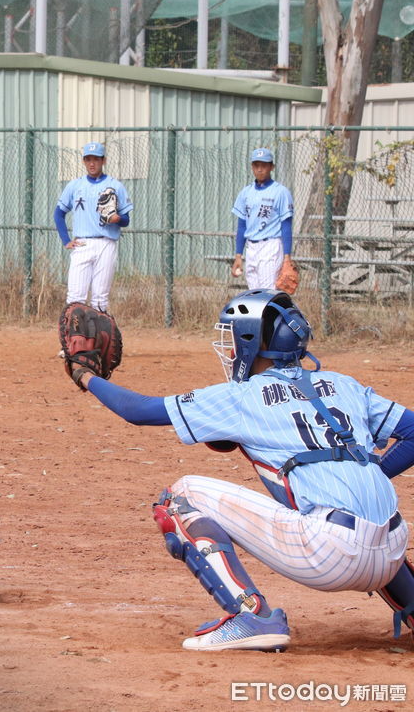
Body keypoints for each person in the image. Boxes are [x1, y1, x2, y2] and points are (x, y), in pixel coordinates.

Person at [69, 288, 414, 651]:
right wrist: (366, 473)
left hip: (328, 555)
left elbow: (138, 410)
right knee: (375, 516)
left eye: (234, 338)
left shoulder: (243, 396)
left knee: (180, 497)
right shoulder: (344, 385)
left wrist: (84, 375)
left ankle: (252, 617)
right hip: (392, 553)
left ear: (252, 344)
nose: (230, 349)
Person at [54, 141, 133, 312]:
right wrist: (66, 240)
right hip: (82, 243)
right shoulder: (75, 185)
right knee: (75, 298)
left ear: (103, 160)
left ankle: (99, 338)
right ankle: (75, 338)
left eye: (96, 159)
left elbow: (126, 220)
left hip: (106, 243)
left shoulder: (115, 185)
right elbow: (58, 213)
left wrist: (116, 219)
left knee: (100, 300)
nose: (92, 163)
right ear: (83, 161)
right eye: (88, 159)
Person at [231, 147, 294, 289]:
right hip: (251, 248)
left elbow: (286, 226)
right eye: (256, 165)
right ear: (252, 167)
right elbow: (242, 226)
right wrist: (238, 255)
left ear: (272, 167)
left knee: (267, 293)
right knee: (253, 294)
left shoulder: (280, 192)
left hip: (270, 246)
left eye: (264, 165)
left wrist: (287, 257)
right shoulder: (246, 192)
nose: (260, 169)